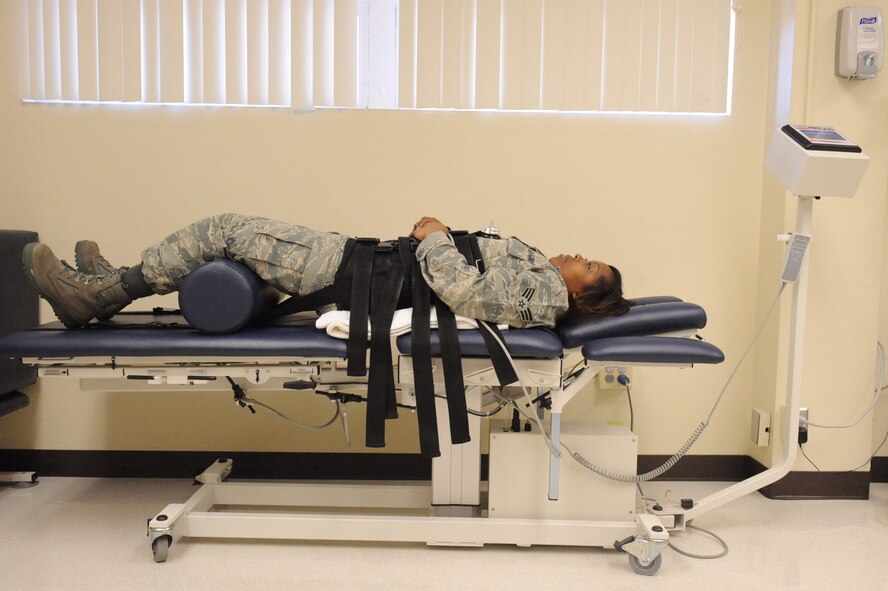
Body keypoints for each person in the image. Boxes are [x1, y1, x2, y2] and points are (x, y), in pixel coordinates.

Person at [22, 213, 631, 330]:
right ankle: (117, 281)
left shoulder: (544, 295)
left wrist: (439, 238)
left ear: (587, 294)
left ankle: (101, 295)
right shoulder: (544, 281)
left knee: (225, 229)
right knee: (230, 236)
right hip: (365, 263)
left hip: (352, 270)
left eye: (590, 264)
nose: (578, 254)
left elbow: (465, 293)